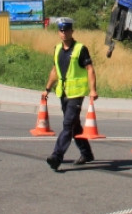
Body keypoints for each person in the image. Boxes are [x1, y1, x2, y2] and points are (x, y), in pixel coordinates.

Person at [42, 18, 98, 170]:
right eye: (61, 30)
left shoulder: (80, 49)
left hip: (76, 94)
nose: (64, 33)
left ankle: (56, 156)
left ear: (72, 31)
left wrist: (93, 89)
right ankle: (87, 154)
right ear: (58, 32)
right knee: (75, 126)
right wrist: (47, 89)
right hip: (63, 92)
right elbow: (55, 70)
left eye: (66, 30)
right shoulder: (57, 49)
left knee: (67, 125)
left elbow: (90, 69)